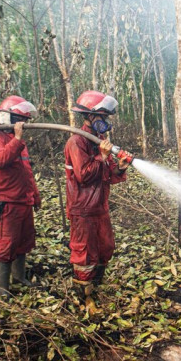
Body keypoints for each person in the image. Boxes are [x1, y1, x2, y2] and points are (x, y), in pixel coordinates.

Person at [64, 90, 131, 310]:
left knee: (105, 248)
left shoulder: (100, 140)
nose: (106, 122)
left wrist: (119, 167)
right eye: (103, 118)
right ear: (91, 117)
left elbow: (108, 174)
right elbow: (83, 175)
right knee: (85, 253)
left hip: (99, 207)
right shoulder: (76, 142)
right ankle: (84, 297)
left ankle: (96, 285)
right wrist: (101, 156)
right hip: (82, 209)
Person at [0, 95, 41, 300]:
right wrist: (16, 140)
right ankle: (3, 288)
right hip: (7, 200)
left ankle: (19, 277)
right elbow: (0, 160)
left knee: (24, 241)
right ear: (10, 118)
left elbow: (26, 171)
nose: (23, 126)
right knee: (7, 243)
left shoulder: (18, 142)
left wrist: (35, 195)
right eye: (20, 120)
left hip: (23, 200)